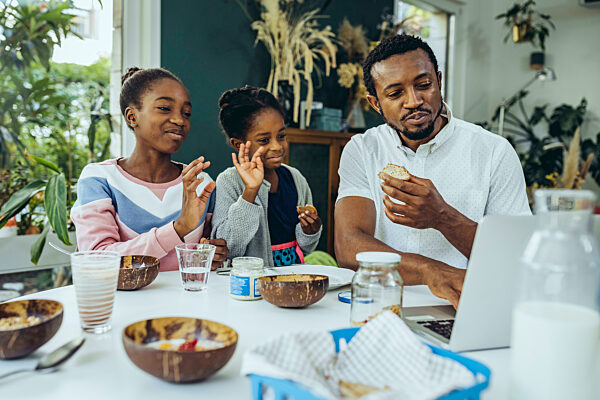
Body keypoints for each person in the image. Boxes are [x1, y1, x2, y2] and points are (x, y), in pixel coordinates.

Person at [334, 35, 531, 308]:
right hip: (379, 305)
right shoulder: (362, 149)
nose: (414, 101)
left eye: (424, 85)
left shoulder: (494, 151)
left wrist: (442, 217)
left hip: (463, 306)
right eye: (395, 93)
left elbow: (515, 256)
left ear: (439, 80)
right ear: (375, 103)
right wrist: (430, 271)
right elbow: (348, 246)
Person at [71, 67, 228, 271]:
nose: (179, 120)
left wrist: (215, 255)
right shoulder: (99, 179)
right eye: (164, 108)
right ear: (131, 117)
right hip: (122, 303)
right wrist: (178, 229)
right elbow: (97, 260)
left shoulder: (200, 182)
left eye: (186, 113)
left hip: (189, 302)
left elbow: (206, 255)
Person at [211, 86, 322, 267]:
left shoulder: (296, 179)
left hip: (291, 279)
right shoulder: (229, 182)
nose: (277, 146)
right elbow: (229, 247)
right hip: (251, 282)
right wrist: (250, 192)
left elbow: (306, 248)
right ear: (239, 145)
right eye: (264, 140)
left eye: (281, 136)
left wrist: (310, 231)